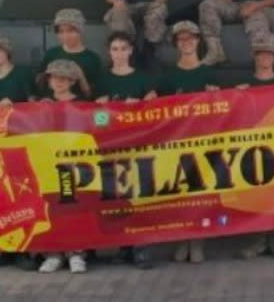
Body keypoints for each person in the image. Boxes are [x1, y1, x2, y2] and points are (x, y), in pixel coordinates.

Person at [157, 21, 220, 264]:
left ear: (198, 41)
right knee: (181, 193)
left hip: (202, 141)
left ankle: (198, 241)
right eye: (181, 39)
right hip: (177, 143)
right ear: (175, 44)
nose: (186, 43)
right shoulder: (169, 76)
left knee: (201, 193)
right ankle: (182, 238)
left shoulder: (207, 73)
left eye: (191, 38)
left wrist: (216, 96)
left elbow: (221, 108)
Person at [94, 31, 157, 271]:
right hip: (110, 147)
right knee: (117, 199)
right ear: (109, 53)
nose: (119, 53)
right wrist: (103, 108)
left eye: (123, 48)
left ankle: (141, 248)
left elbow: (154, 115)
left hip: (137, 147)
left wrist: (142, 105)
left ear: (131, 51)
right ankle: (123, 247)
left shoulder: (143, 79)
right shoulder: (101, 79)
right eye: (115, 49)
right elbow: (95, 119)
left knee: (138, 197)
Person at [0, 31, 38, 271]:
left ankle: (25, 250)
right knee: (1, 198)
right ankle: (6, 248)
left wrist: (16, 108)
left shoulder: (23, 74)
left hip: (20, 143)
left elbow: (36, 106)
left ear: (8, 51)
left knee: (24, 196)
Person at [236, 32, 274, 260]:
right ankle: (258, 241)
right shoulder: (244, 86)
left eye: (269, 54)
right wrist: (234, 95)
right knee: (256, 196)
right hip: (253, 150)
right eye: (261, 54)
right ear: (254, 56)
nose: (265, 58)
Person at [37, 59, 90, 274]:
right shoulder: (39, 105)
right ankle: (53, 253)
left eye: (63, 78)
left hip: (74, 163)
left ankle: (76, 253)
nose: (58, 81)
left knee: (74, 208)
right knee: (51, 208)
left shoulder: (85, 104)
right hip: (48, 164)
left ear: (72, 81)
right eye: (54, 77)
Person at [38, 8, 104, 98]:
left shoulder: (92, 59)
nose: (66, 36)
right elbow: (41, 88)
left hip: (81, 109)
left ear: (80, 30)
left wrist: (81, 78)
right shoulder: (51, 54)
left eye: (70, 31)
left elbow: (94, 97)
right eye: (61, 31)